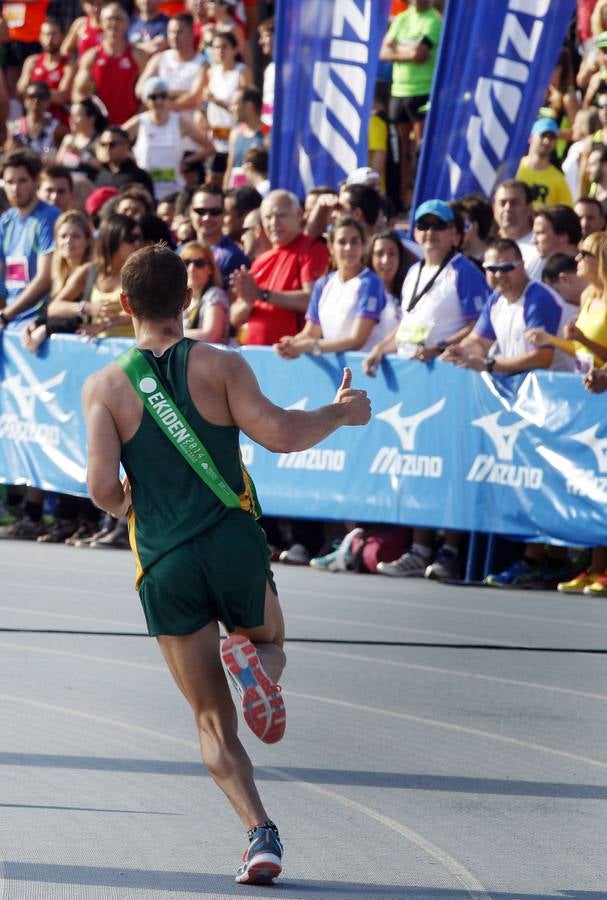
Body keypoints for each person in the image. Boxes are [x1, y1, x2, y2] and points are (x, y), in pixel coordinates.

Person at [81, 242, 371, 885]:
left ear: (125, 305)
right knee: (269, 638)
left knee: (210, 718)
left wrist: (139, 504)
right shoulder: (220, 365)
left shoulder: (103, 387)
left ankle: (259, 835)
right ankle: (259, 668)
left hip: (164, 559)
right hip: (232, 540)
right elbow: (283, 435)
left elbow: (101, 488)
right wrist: (343, 413)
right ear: (186, 300)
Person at [364, 199, 490, 581]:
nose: (431, 233)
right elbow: (407, 325)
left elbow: (481, 325)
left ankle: (449, 550)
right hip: (417, 383)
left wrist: (439, 348)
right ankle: (419, 548)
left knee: (451, 463)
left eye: (439, 226)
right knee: (418, 462)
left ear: (455, 234)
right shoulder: (415, 270)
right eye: (424, 226)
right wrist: (379, 350)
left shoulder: (463, 271)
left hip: (450, 380)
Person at [274, 217, 398, 360]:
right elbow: (310, 333)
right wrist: (290, 343)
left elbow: (356, 340)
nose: (348, 248)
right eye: (342, 242)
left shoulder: (371, 283)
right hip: (337, 370)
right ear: (331, 247)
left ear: (363, 246)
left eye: (354, 241)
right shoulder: (323, 284)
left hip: (368, 371)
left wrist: (309, 346)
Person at [229, 189, 330, 346]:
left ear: (298, 214)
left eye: (281, 215)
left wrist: (263, 295)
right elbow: (235, 317)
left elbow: (313, 300)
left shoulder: (311, 248)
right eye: (268, 217)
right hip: (254, 356)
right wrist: (248, 302)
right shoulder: (260, 261)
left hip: (291, 355)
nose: (273, 223)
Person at [379, 0, 442, 208]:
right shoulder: (402, 18)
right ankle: (403, 197)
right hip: (399, 90)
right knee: (400, 149)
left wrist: (399, 48)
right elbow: (384, 53)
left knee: (419, 149)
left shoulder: (434, 20)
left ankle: (419, 194)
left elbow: (420, 53)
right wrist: (409, 52)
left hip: (423, 91)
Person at [123, 76, 211, 200]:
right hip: (147, 190)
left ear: (168, 98)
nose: (158, 101)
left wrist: (187, 161)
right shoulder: (140, 122)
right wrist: (132, 160)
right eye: (153, 97)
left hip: (174, 190)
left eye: (163, 96)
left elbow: (209, 148)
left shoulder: (179, 122)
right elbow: (115, 138)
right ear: (145, 100)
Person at [0, 150, 60, 328]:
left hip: (36, 322)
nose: (15, 189)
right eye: (9, 182)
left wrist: (6, 315)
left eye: (22, 181)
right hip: (9, 320)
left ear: (36, 182)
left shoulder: (50, 217)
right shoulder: (5, 221)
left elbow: (45, 279)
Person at [72, 2, 147, 127]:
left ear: (127, 24)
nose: (113, 23)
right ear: (101, 23)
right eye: (109, 19)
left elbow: (148, 95)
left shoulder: (138, 55)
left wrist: (135, 123)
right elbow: (78, 94)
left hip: (130, 126)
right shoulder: (91, 57)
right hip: (100, 127)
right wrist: (94, 117)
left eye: (118, 19)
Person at [204, 30, 251, 184]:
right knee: (213, 178)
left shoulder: (242, 72)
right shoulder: (211, 72)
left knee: (234, 178)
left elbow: (247, 105)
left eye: (224, 47)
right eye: (216, 47)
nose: (220, 51)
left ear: (235, 49)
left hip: (236, 133)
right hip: (216, 135)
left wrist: (218, 102)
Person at [188, 183, 248, 287]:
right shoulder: (181, 251)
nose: (207, 217)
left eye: (215, 211)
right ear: (190, 211)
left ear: (224, 213)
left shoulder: (233, 256)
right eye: (200, 211)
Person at [17, 18, 74, 126]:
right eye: (46, 34)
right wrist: (49, 94)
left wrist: (33, 94)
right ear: (40, 37)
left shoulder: (68, 64)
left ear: (62, 36)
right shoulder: (32, 61)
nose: (49, 39)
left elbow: (63, 96)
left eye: (53, 34)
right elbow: (21, 90)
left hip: (58, 125)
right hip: (33, 124)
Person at [515, 118, 574, 208]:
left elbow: (567, 212)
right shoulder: (515, 167)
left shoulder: (558, 179)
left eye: (552, 137)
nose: (547, 141)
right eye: (543, 135)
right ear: (531, 138)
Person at [181, 238, 229, 343]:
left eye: (199, 263)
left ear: (210, 269)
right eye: (186, 262)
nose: (191, 268)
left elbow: (211, 335)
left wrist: (171, 335)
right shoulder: (179, 299)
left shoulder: (214, 295)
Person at [5, 80, 66, 161]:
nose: (36, 100)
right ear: (24, 99)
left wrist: (52, 156)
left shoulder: (57, 127)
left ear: (48, 100)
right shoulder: (14, 127)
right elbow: (8, 152)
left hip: (45, 170)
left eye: (41, 96)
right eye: (31, 96)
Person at [493, 179, 541, 279]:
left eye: (514, 203)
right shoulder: (490, 251)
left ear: (529, 208)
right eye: (502, 203)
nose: (507, 208)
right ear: (494, 210)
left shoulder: (540, 249)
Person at [93, 126, 156, 197]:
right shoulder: (102, 174)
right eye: (103, 144)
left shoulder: (139, 177)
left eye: (112, 144)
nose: (107, 149)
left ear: (126, 145)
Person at [55, 97, 107, 180]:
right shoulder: (68, 139)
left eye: (76, 116)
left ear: (91, 119)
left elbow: (103, 168)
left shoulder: (99, 140)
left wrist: (81, 154)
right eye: (71, 116)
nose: (71, 120)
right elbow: (57, 165)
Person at [224, 87, 264, 189]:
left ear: (249, 106)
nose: (231, 108)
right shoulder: (235, 134)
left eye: (235, 104)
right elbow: (230, 168)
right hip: (235, 195)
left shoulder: (268, 134)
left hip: (256, 196)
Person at [531, 204, 582, 280]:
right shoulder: (541, 272)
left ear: (563, 235)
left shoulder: (593, 272)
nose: (533, 241)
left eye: (539, 233)